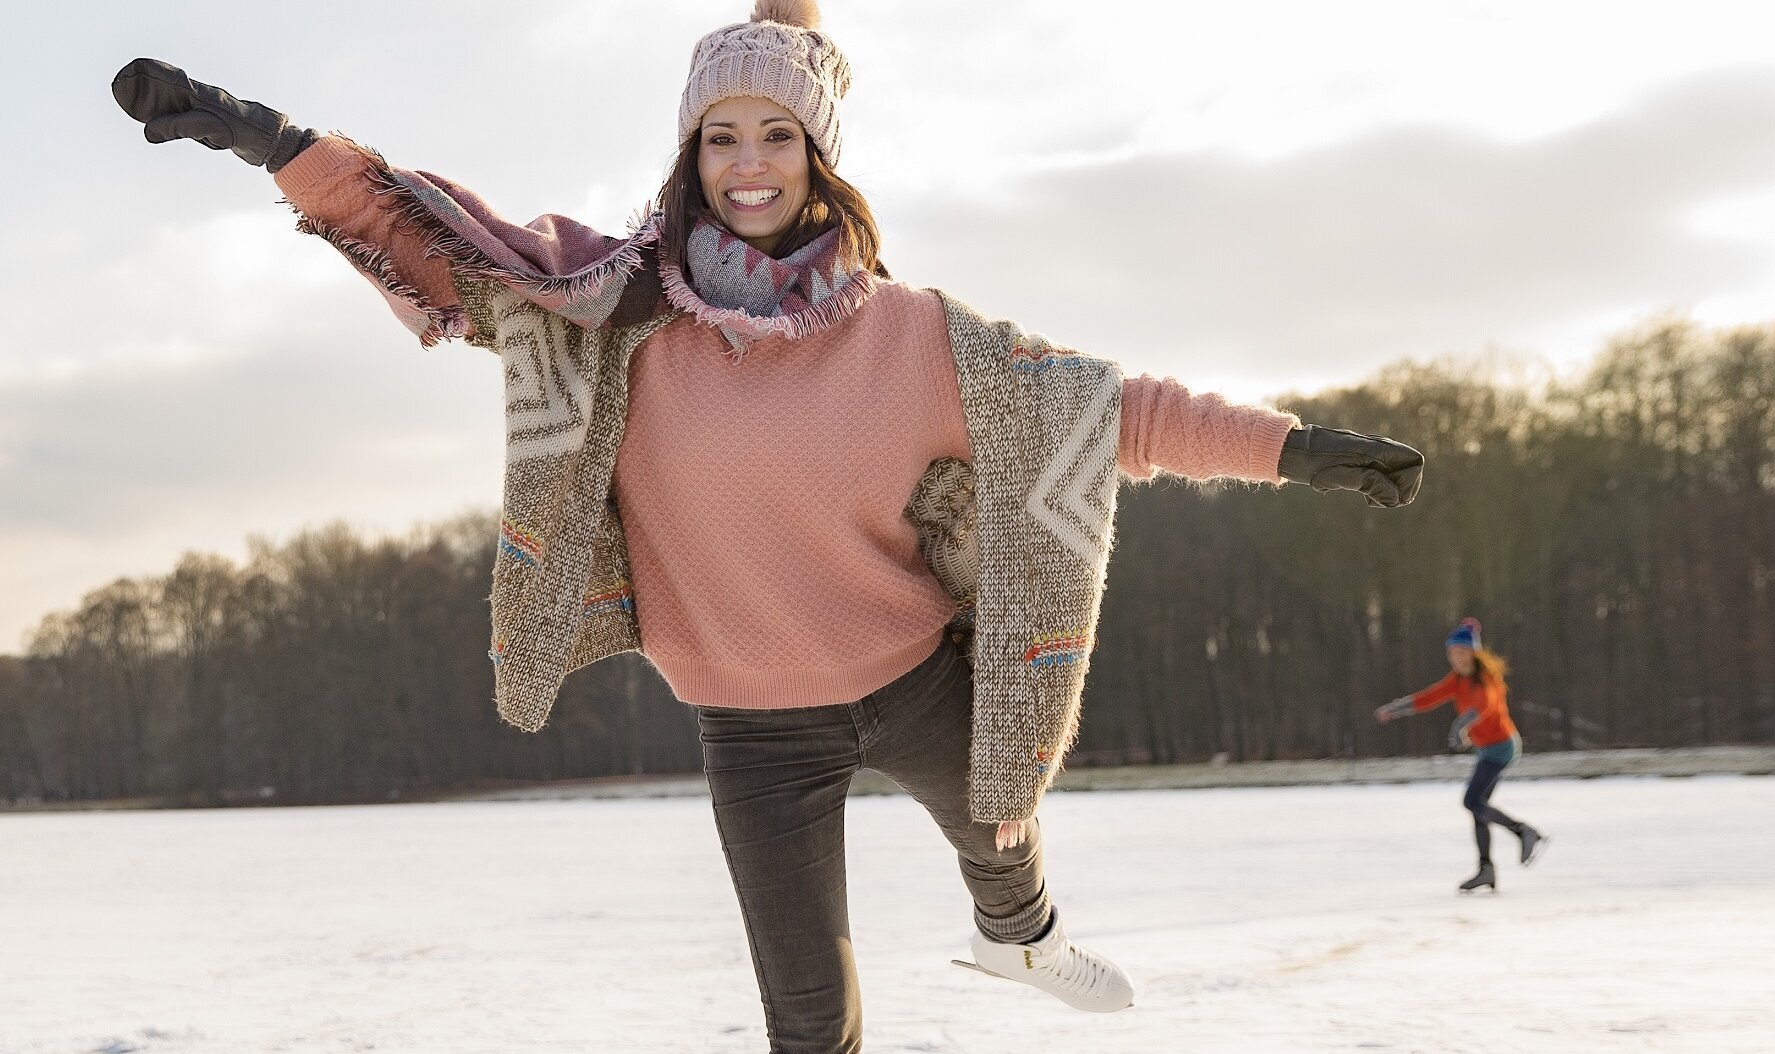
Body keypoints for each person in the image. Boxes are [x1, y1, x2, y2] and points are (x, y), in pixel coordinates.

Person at [112, 3, 1424, 1048]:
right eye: (721, 137)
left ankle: (1017, 937)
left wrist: (1293, 447)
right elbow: (445, 244)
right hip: (749, 723)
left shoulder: (909, 333)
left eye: (776, 135)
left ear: (817, 158)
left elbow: (1104, 409)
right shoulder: (611, 307)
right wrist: (269, 138)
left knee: (1000, 825)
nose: (747, 163)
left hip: (915, 677)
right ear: (690, 155)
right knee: (809, 1021)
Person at [1377, 617, 1543, 893]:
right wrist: (1395, 708)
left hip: (1502, 747)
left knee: (1472, 800)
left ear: (1474, 653)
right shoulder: (1457, 680)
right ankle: (1486, 869)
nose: (1456, 659)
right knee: (1479, 807)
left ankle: (1524, 831)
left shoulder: (1487, 678)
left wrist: (1460, 725)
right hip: (1488, 748)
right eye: (1452, 654)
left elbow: (1486, 706)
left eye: (1461, 653)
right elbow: (1429, 697)